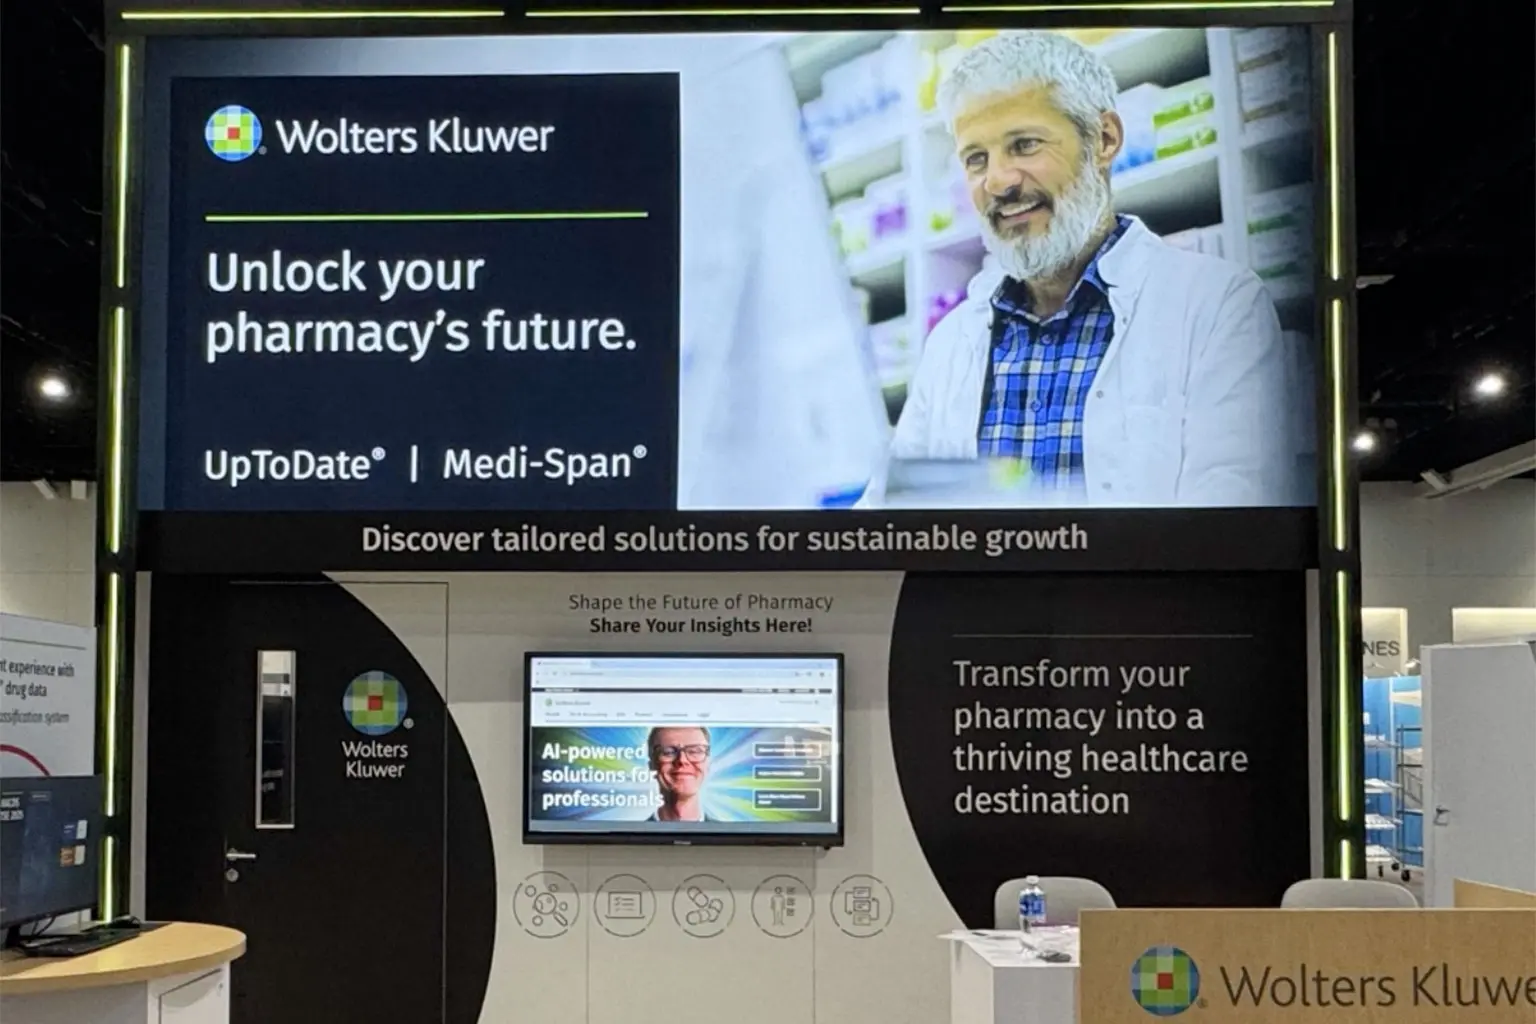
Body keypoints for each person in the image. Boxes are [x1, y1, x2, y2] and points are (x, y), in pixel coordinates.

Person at [887, 31, 1298, 507]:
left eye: (1024, 144)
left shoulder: (1218, 303)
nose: (998, 181)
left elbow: (1236, 521)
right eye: (976, 159)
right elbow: (892, 521)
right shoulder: (951, 343)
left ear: (1104, 139)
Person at [646, 725, 711, 822]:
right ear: (652, 765)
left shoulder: (728, 831)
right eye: (668, 752)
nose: (682, 760)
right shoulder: (629, 831)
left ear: (708, 763)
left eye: (694, 751)